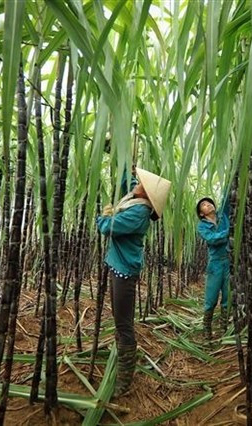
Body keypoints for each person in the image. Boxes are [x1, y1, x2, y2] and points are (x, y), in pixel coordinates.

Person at [96, 167, 171, 397]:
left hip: (124, 272)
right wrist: (121, 154)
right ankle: (123, 359)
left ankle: (124, 380)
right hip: (118, 265)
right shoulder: (135, 198)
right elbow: (126, 180)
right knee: (121, 322)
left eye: (142, 183)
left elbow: (108, 228)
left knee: (124, 325)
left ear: (147, 194)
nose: (137, 183)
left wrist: (104, 216)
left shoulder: (138, 213)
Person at [196, 188, 230, 341]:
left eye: (209, 202)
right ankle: (206, 331)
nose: (208, 204)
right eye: (204, 204)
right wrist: (229, 233)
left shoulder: (223, 216)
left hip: (229, 261)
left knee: (228, 298)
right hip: (215, 264)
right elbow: (212, 239)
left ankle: (224, 330)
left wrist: (233, 173)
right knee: (211, 299)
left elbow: (228, 195)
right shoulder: (202, 226)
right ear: (202, 213)